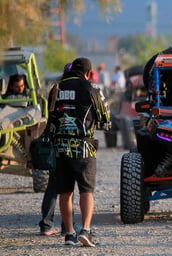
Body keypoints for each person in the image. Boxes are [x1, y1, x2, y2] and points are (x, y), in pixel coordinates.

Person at [49, 57, 110, 246]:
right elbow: (105, 119)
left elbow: (49, 116)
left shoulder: (56, 88)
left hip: (60, 149)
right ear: (89, 73)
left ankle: (69, 233)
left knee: (65, 193)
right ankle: (85, 230)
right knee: (86, 191)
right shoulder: (92, 89)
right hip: (83, 148)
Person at [38, 63, 80, 236]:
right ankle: (58, 226)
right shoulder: (75, 90)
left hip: (55, 139)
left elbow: (51, 116)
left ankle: (52, 225)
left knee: (56, 186)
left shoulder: (56, 88)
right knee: (63, 187)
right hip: (66, 142)